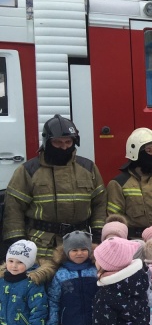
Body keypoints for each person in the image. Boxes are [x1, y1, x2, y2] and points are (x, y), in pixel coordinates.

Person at [2, 114, 106, 279]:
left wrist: (99, 234)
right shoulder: (28, 170)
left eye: (68, 142)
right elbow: (13, 208)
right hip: (42, 246)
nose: (64, 147)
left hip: (79, 246)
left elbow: (100, 203)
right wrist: (17, 243)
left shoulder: (88, 168)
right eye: (58, 142)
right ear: (47, 141)